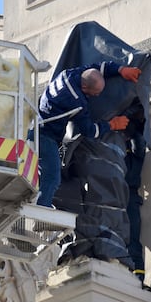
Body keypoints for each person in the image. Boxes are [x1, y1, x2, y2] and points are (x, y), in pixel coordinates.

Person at [35, 62, 140, 207]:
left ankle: (41, 204)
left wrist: (120, 70)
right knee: (52, 176)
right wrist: (112, 124)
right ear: (84, 88)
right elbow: (89, 130)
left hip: (36, 126)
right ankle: (41, 210)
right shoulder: (76, 101)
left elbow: (98, 68)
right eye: (96, 93)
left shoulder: (70, 73)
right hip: (45, 136)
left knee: (45, 172)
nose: (97, 96)